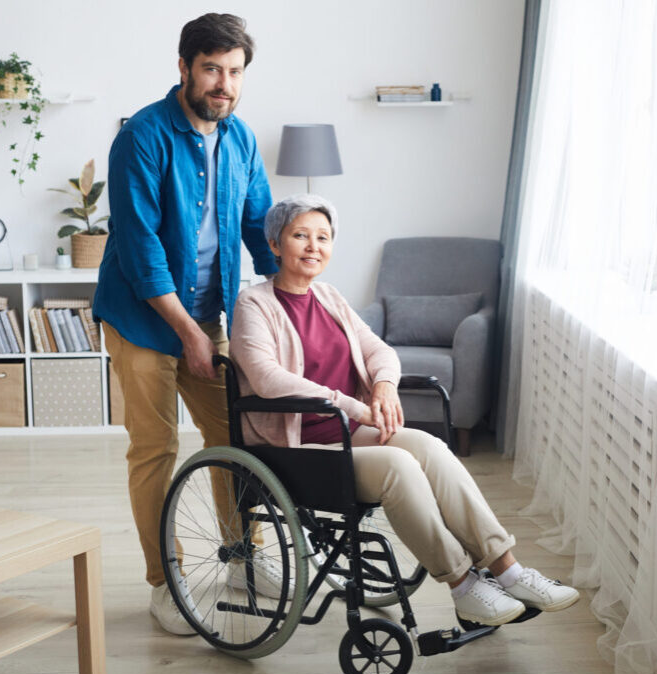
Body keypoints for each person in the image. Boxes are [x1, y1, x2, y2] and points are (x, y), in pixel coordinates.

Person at [230, 194, 581, 626]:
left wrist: (383, 386)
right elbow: (266, 377)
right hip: (295, 448)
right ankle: (463, 585)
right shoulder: (254, 305)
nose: (312, 246)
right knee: (399, 465)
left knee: (429, 447)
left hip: (344, 433)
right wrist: (351, 405)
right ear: (274, 243)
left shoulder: (329, 297)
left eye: (323, 237)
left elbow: (378, 349)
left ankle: (509, 570)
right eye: (300, 235)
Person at [92, 13, 281, 636]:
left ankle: (239, 559)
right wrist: (189, 334)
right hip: (143, 319)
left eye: (233, 72)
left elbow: (259, 226)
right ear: (183, 68)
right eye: (211, 70)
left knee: (235, 437)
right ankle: (163, 581)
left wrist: (291, 298)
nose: (223, 84)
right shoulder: (142, 137)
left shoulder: (242, 138)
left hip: (208, 312)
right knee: (156, 449)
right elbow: (142, 247)